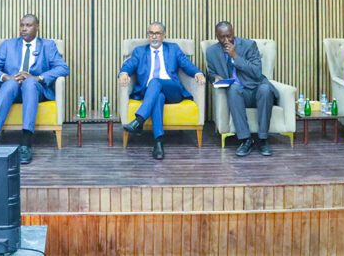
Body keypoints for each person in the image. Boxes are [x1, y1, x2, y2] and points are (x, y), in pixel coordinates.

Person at [0, 14, 69, 165]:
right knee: (10, 84)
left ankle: (26, 142)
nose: (24, 29)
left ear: (37, 27)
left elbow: (63, 68)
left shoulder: (48, 46)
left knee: (29, 83)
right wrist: (5, 77)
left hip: (35, 90)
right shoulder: (8, 45)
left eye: (28, 25)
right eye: (22, 25)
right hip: (12, 89)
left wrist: (38, 78)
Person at [120, 21, 205, 160]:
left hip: (173, 90)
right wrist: (124, 73)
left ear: (164, 35)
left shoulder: (173, 49)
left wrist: (198, 73)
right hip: (150, 92)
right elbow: (129, 65)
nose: (154, 36)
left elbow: (186, 64)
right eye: (151, 33)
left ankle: (139, 120)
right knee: (158, 96)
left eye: (157, 33)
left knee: (155, 81)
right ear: (147, 35)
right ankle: (158, 143)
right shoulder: (140, 51)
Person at [205, 21, 279, 157]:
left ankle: (263, 139)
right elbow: (210, 72)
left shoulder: (249, 45)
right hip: (237, 94)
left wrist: (235, 56)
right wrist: (214, 77)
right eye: (222, 37)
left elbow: (256, 72)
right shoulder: (211, 52)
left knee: (265, 89)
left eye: (229, 35)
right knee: (233, 88)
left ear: (233, 33)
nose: (226, 40)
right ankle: (246, 140)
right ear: (216, 36)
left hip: (256, 89)